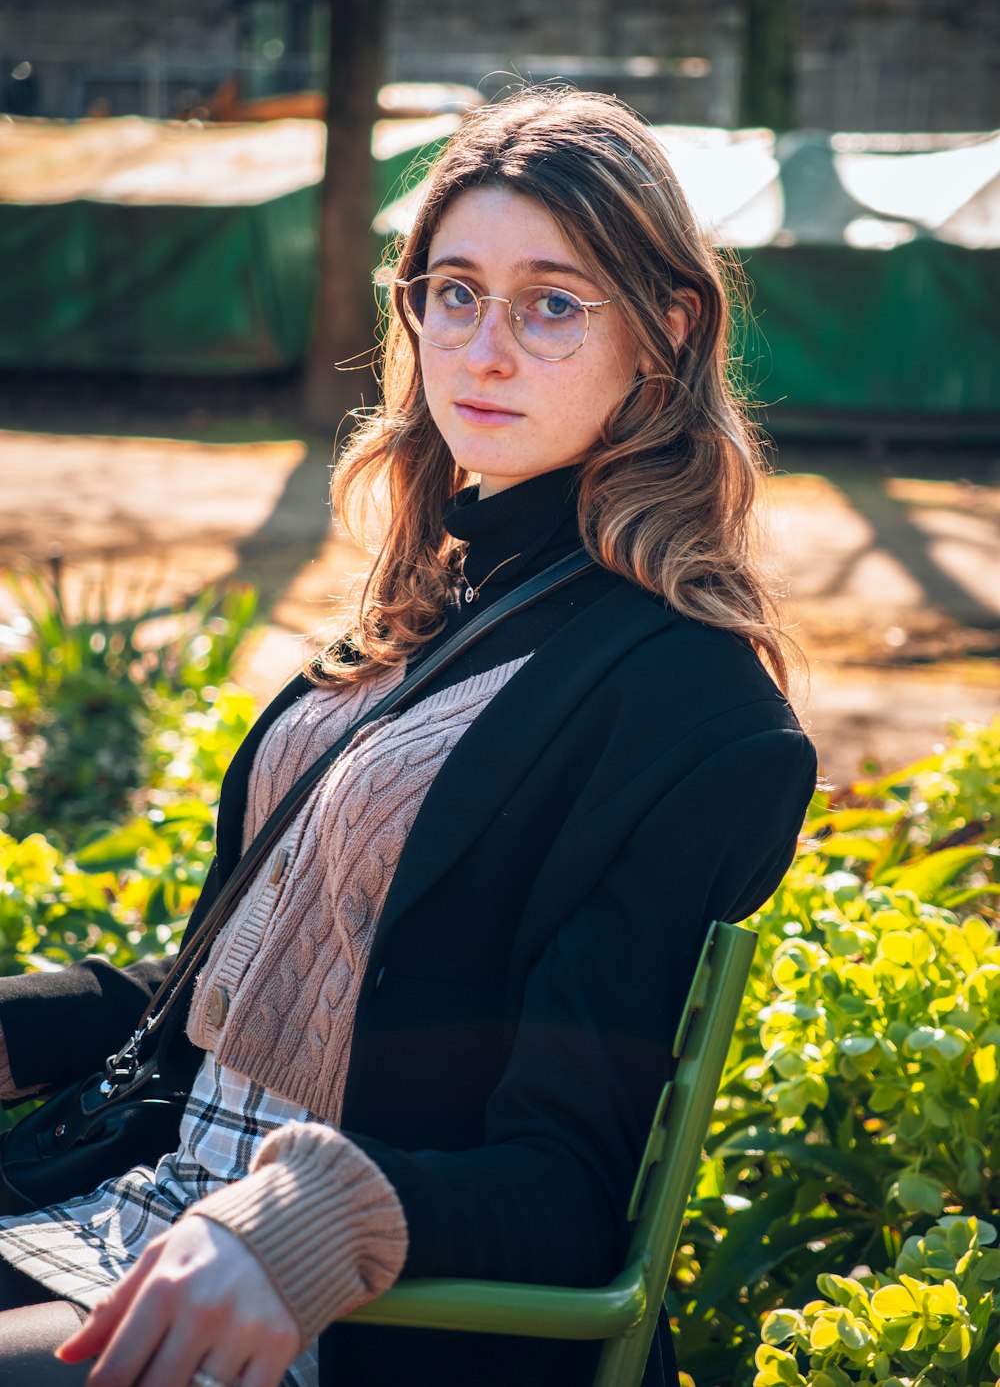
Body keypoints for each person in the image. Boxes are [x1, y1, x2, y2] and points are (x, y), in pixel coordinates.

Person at [0, 87, 816, 1387]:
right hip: (137, 1197)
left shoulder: (693, 706)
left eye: (554, 302)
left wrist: (307, 1226)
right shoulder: (437, 593)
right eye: (454, 291)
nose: (484, 350)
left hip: (339, 1313)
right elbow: (242, 980)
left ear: (664, 331)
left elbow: (567, 1187)